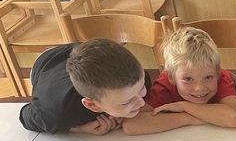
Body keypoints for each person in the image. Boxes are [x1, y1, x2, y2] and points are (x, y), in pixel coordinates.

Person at [123, 27, 236, 135]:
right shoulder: (166, 85)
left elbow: (234, 118)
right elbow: (131, 125)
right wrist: (188, 118)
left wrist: (183, 106)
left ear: (217, 73)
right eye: (188, 79)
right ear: (171, 77)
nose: (200, 88)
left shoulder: (221, 78)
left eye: (208, 78)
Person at [19, 39, 149, 135]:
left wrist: (123, 109)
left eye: (141, 88)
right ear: (93, 105)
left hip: (82, 52)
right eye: (126, 102)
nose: (142, 102)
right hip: (47, 63)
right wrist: (79, 128)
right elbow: (25, 116)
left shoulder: (137, 78)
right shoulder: (58, 112)